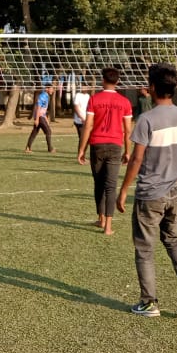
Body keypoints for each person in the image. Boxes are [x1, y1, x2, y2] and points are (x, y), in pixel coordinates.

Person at [116, 62, 177, 319]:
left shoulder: (147, 119)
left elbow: (137, 159)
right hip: (176, 190)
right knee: (174, 240)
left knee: (144, 248)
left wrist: (124, 189)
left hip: (151, 194)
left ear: (152, 87)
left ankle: (149, 302)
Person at [77, 67, 133, 236]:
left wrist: (82, 149)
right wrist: (128, 151)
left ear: (103, 80)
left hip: (97, 145)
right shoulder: (125, 102)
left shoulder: (94, 99)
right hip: (115, 146)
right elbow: (128, 130)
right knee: (111, 186)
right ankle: (108, 226)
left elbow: (88, 125)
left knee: (99, 183)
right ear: (117, 81)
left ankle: (101, 219)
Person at [24, 83, 55, 153]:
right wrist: (37, 119)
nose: (52, 90)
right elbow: (38, 108)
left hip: (42, 116)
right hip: (40, 116)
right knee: (48, 131)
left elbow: (43, 109)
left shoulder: (47, 96)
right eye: (51, 88)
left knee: (34, 132)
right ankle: (50, 149)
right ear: (47, 89)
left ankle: (28, 148)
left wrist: (46, 118)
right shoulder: (42, 96)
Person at [72, 82, 91, 146]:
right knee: (82, 138)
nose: (84, 88)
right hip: (79, 121)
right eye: (83, 86)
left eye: (85, 86)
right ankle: (81, 152)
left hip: (86, 120)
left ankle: (82, 151)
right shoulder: (78, 95)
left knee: (86, 138)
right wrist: (81, 117)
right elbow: (76, 107)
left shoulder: (88, 96)